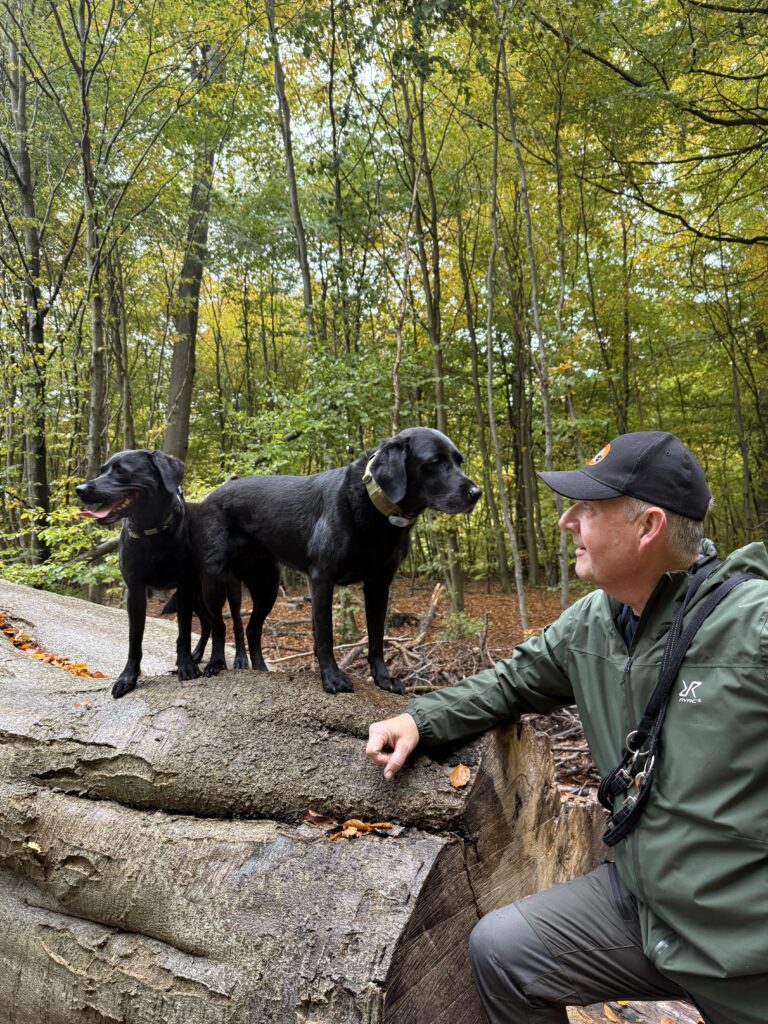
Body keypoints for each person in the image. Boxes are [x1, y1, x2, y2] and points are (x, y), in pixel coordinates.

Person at [366, 431, 768, 1024]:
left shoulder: (751, 625)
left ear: (648, 526)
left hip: (746, 942)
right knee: (505, 951)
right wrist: (418, 718)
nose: (565, 521)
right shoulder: (595, 622)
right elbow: (509, 682)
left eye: (588, 508)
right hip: (643, 909)